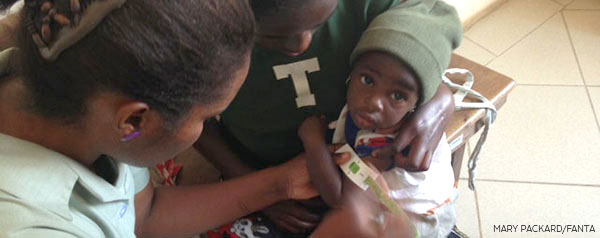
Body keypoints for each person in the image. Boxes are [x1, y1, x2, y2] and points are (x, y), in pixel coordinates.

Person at [194, 0, 457, 235]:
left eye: (320, 22)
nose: (301, 44)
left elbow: (433, 18)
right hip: (259, 177)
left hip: (347, 181)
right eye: (273, 34)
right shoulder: (198, 32)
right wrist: (260, 191)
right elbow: (195, 123)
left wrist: (441, 99)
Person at [299, 2, 462, 236]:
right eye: (367, 80)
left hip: (409, 221)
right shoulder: (374, 115)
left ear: (417, 104)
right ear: (351, 72)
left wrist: (312, 140)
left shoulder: (388, 143)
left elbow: (336, 196)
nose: (374, 100)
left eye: (398, 95)